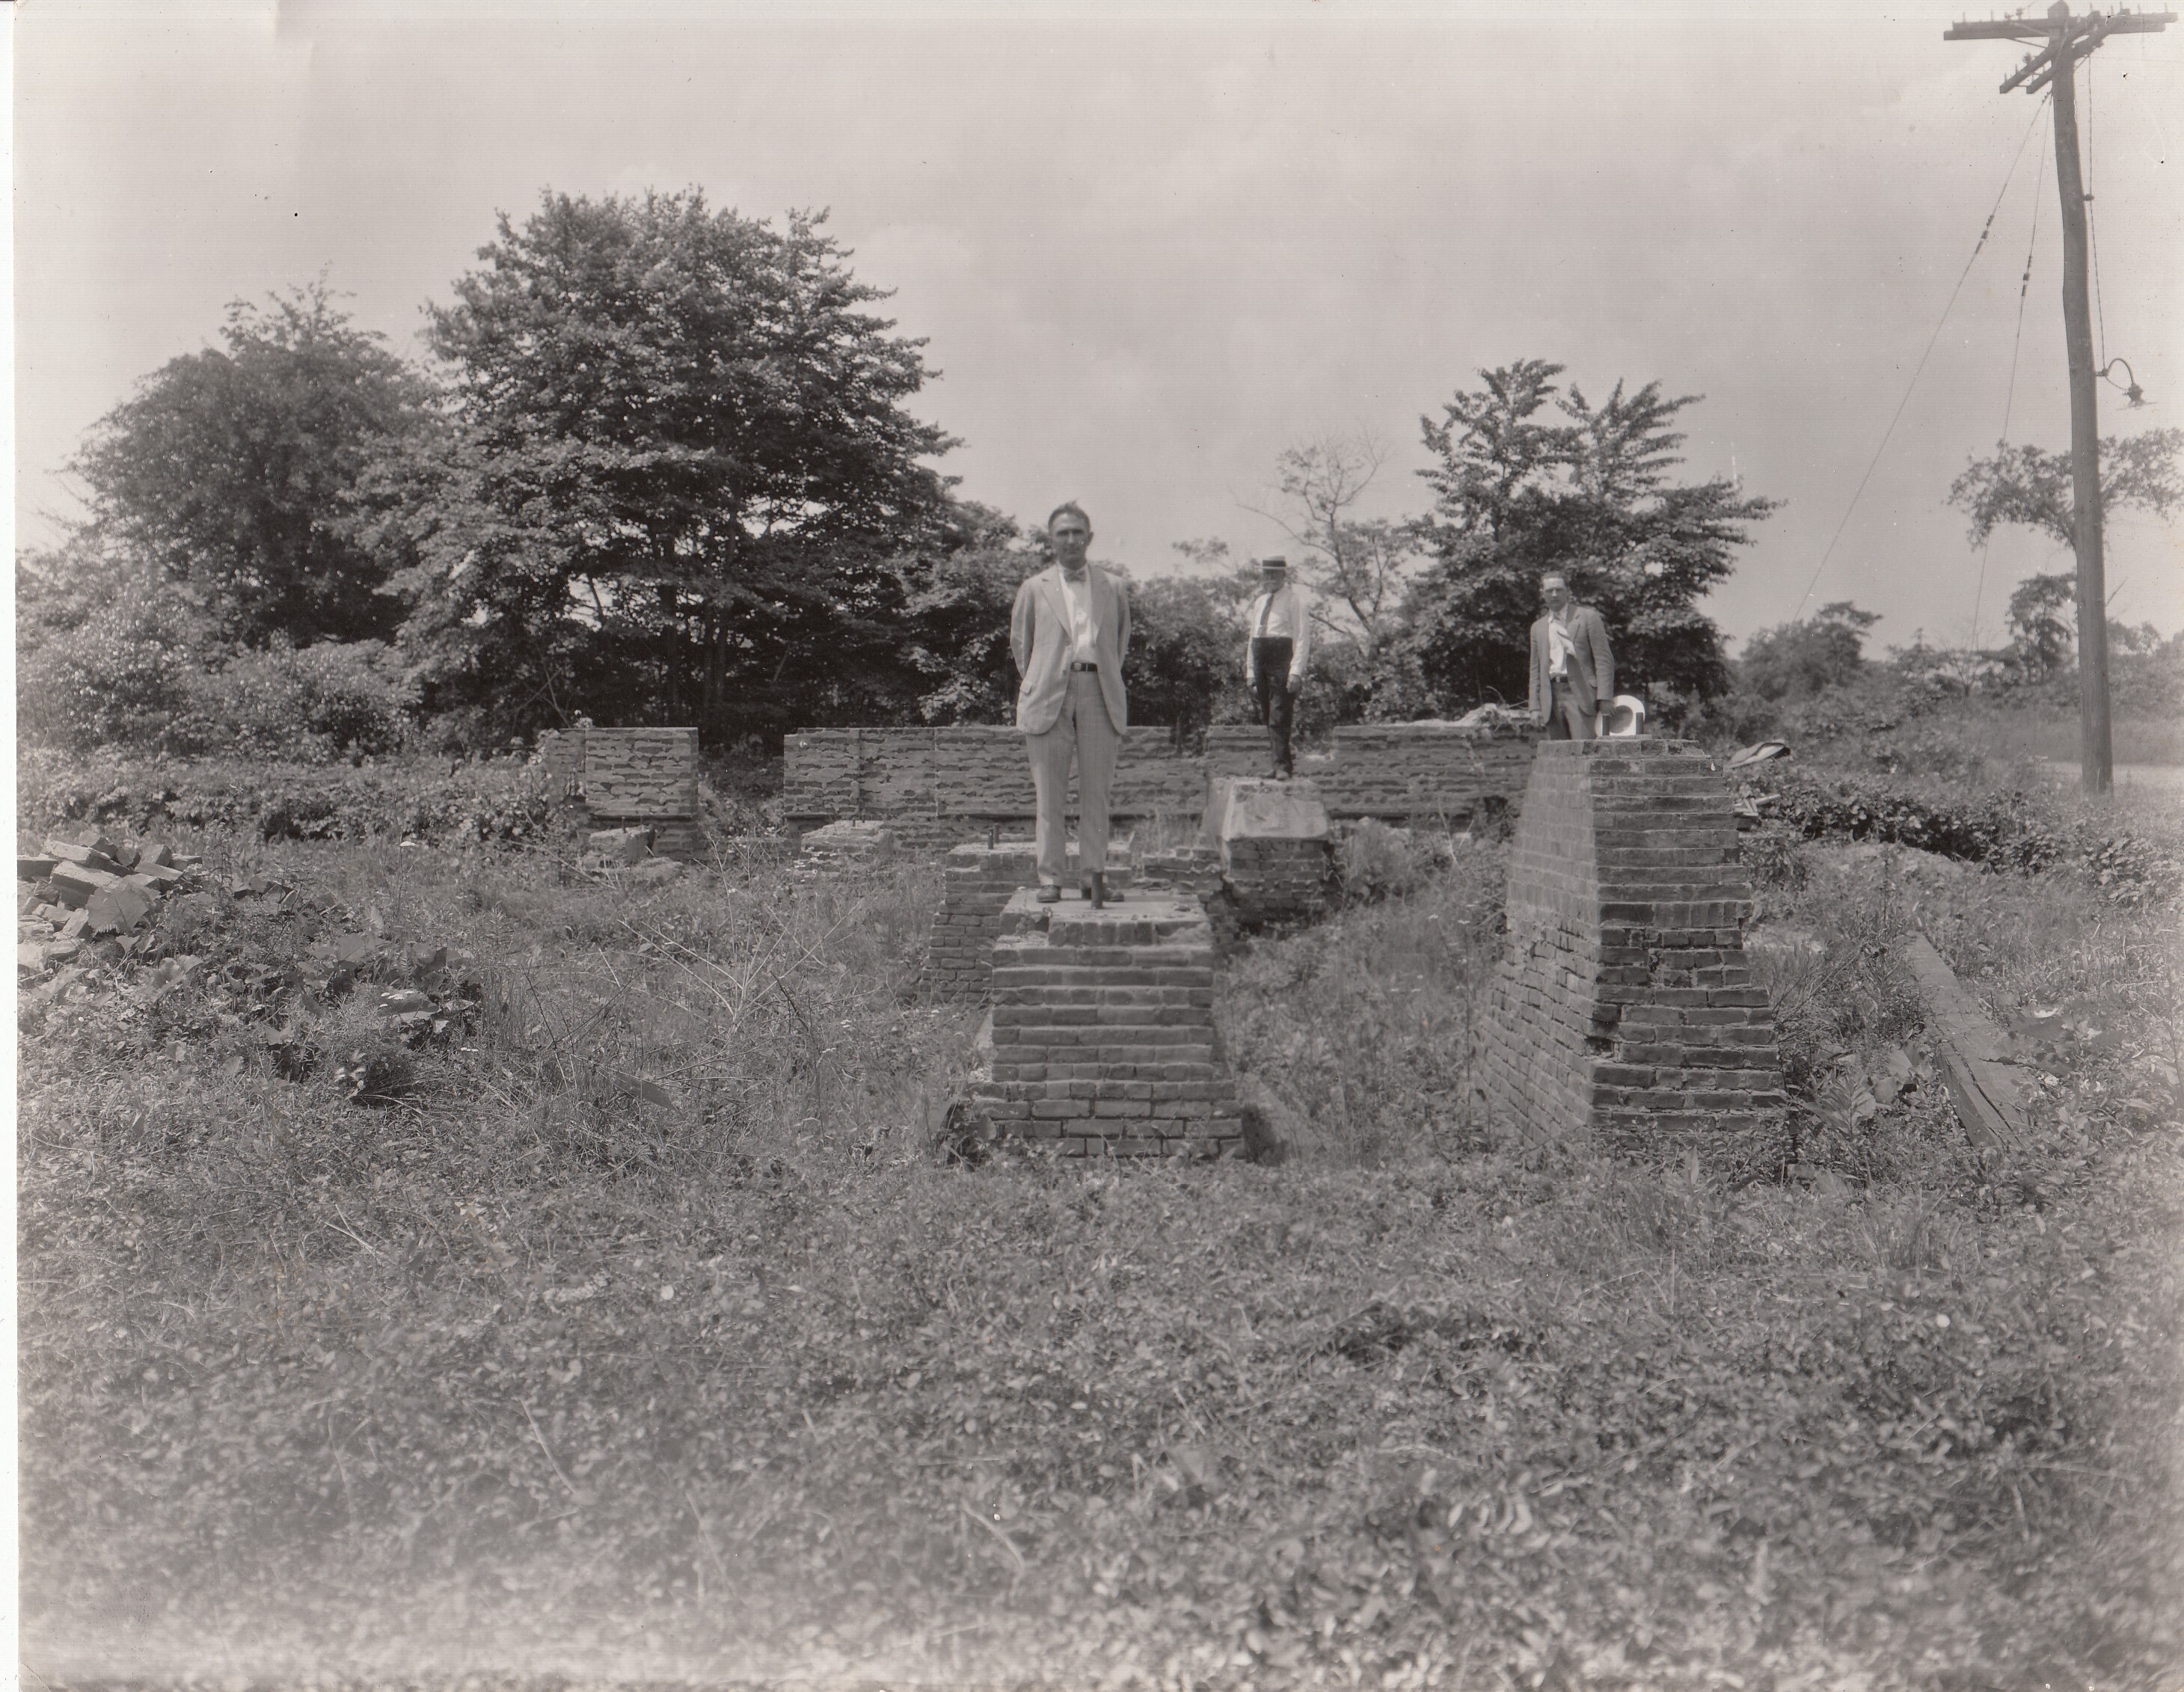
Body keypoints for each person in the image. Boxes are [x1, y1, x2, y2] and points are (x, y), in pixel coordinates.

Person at [1011, 502, 1131, 907]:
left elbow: (1119, 643)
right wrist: (1041, 680)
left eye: (1078, 532)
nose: (1071, 539)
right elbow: (1021, 645)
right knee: (1050, 795)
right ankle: (1050, 879)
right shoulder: (1034, 587)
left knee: (1097, 793)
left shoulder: (1113, 586)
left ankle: (1092, 878)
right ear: (1051, 540)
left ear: (1090, 538)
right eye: (1062, 533)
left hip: (1098, 691)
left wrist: (1098, 676)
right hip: (1048, 696)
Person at [1242, 556, 1313, 779]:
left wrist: (1296, 671)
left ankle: (1282, 767)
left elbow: (1302, 638)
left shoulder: (1294, 601)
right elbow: (1252, 637)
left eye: (1274, 573)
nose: (1270, 577)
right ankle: (1277, 765)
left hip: (1282, 658)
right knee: (1267, 714)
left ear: (1284, 575)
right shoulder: (1260, 602)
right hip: (1261, 655)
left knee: (1280, 714)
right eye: (1266, 573)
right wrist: (1251, 672)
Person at [1527, 571, 1615, 741]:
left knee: (1585, 752)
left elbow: (1604, 660)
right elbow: (1535, 670)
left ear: (1567, 590)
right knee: (1559, 756)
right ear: (1542, 594)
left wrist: (1604, 697)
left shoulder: (1588, 618)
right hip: (1550, 698)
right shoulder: (1538, 627)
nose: (1554, 595)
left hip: (1581, 695)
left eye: (1559, 590)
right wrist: (1534, 706)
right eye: (1549, 591)